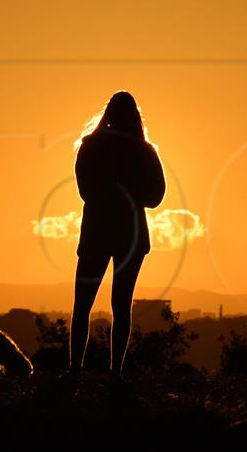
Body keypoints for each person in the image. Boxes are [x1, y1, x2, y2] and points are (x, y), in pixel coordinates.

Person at [69, 90, 166, 377]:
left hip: (96, 232)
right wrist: (131, 192)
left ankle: (76, 368)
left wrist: (110, 191)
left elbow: (85, 192)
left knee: (82, 304)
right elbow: (156, 197)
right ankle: (115, 370)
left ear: (107, 113)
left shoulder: (90, 146)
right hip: (131, 235)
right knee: (121, 305)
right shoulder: (145, 151)